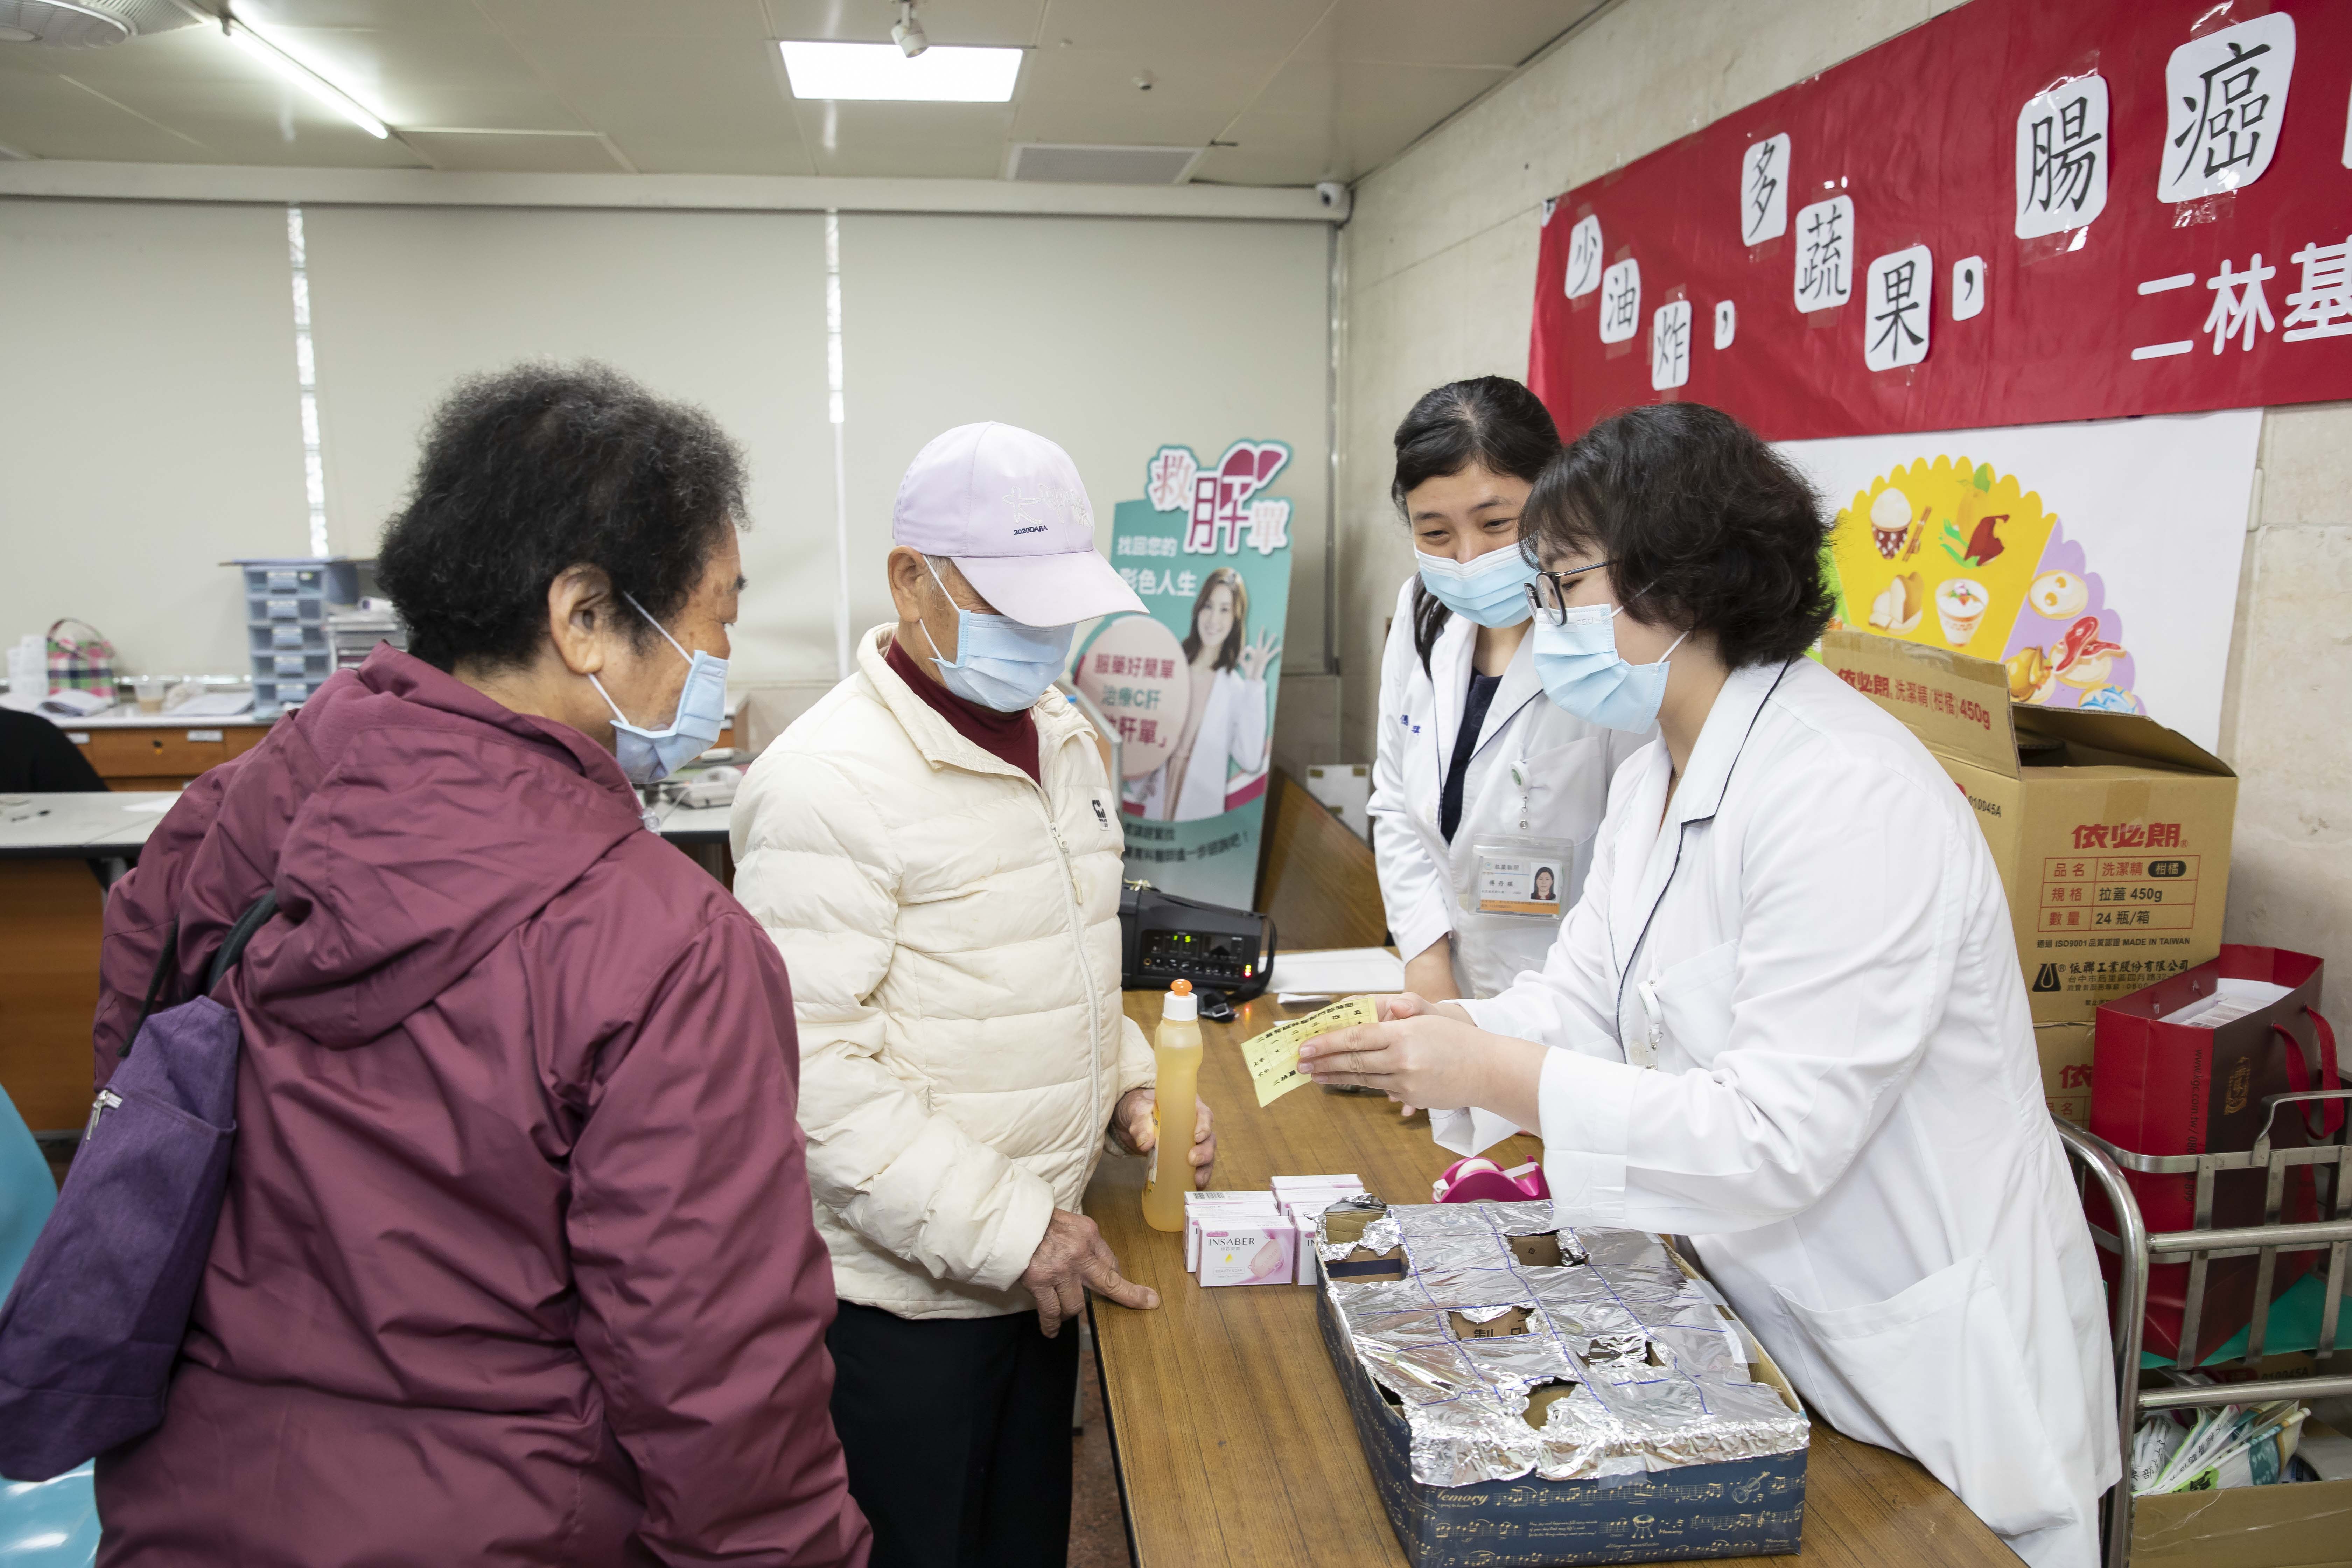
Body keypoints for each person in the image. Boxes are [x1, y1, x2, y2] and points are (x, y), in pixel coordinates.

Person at [1300, 404, 2118, 1568]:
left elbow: (1777, 1132)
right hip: (1775, 1333)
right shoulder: (1658, 772)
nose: (1543, 620)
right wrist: (1452, 1031)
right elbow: (1583, 998)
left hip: (1927, 1385)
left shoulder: (1844, 795)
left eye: (1563, 582)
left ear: (1680, 584)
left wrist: (1490, 1067)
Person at [88, 364, 869, 1567]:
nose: (719, 650)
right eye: (715, 608)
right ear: (584, 617)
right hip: (506, 1520)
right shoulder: (670, 949)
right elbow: (717, 1372)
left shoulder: (230, 817)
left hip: (192, 1494)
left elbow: (140, 1097)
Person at [732, 421, 1219, 1568]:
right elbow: (811, 1077)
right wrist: (1013, 1231)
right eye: (1012, 605)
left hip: (1043, 1270)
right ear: (912, 580)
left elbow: (1064, 960)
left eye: (1059, 607)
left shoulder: (1062, 736)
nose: (1042, 638)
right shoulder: (824, 784)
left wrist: (1131, 1091)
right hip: (907, 1305)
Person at [1369, 378, 1644, 1020]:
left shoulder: (1610, 631)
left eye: (1496, 524)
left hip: (1581, 1007)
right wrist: (1426, 958)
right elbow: (1393, 798)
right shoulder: (1424, 607)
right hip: (1447, 988)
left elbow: (1638, 858)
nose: (1468, 558)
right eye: (1435, 534)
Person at [1129, 564, 1279, 820]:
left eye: (1225, 610)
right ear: (1198, 609)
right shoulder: (1170, 668)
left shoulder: (1236, 688)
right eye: (1209, 606)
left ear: (1235, 620)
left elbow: (1252, 760)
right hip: (1158, 793)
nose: (1214, 620)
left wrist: (1255, 683)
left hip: (1199, 804)